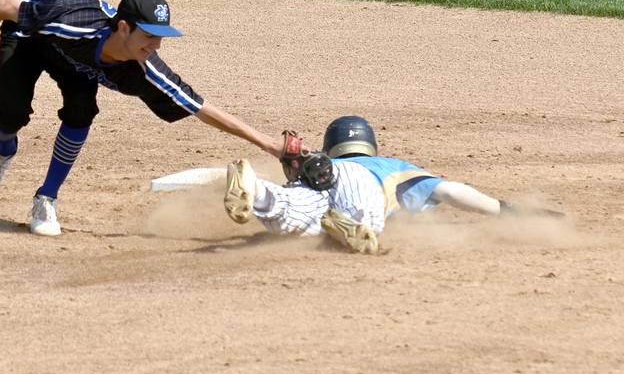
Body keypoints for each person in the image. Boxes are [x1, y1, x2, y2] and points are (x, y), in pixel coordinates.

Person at [0, 0, 281, 236]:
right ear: (123, 28)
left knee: (81, 110)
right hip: (32, 39)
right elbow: (7, 6)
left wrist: (269, 144)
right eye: (149, 35)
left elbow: (200, 107)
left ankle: (46, 198)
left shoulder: (143, 68)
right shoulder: (70, 20)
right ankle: (3, 151)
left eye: (161, 36)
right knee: (12, 114)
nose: (155, 45)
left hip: (75, 63)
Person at [224, 115, 564, 254]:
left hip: (319, 174)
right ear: (370, 144)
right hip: (363, 185)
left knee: (291, 211)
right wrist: (503, 209)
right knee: (366, 220)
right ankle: (354, 228)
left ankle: (257, 189)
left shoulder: (333, 161)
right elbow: (448, 191)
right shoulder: (390, 166)